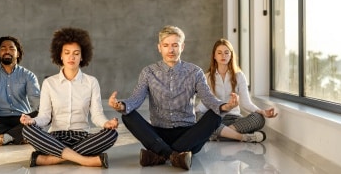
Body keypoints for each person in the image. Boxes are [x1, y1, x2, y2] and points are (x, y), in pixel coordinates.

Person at [108, 25, 239, 170]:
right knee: (127, 115)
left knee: (216, 115)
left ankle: (159, 155)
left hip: (188, 136)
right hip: (158, 134)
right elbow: (136, 98)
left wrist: (225, 106)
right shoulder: (148, 72)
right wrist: (122, 105)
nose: (170, 50)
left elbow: (208, 98)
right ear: (159, 47)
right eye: (166, 45)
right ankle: (175, 156)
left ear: (182, 47)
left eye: (175, 45)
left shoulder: (195, 72)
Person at [20, 27, 118, 168]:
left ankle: (48, 159)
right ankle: (84, 160)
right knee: (27, 130)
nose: (71, 57)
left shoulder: (91, 82)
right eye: (67, 53)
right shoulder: (49, 83)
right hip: (54, 138)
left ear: (82, 56)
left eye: (76, 53)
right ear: (60, 55)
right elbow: (45, 117)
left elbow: (97, 115)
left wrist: (106, 124)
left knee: (112, 134)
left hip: (81, 138)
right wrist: (32, 121)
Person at [195, 38, 278, 142]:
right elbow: (205, 103)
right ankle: (243, 137)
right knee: (196, 116)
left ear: (231, 55)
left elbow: (246, 103)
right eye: (219, 53)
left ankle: (219, 134)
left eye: (226, 53)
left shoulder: (239, 76)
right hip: (214, 119)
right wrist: (194, 112)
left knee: (259, 118)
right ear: (214, 56)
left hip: (234, 120)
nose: (223, 56)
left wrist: (262, 111)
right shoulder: (206, 77)